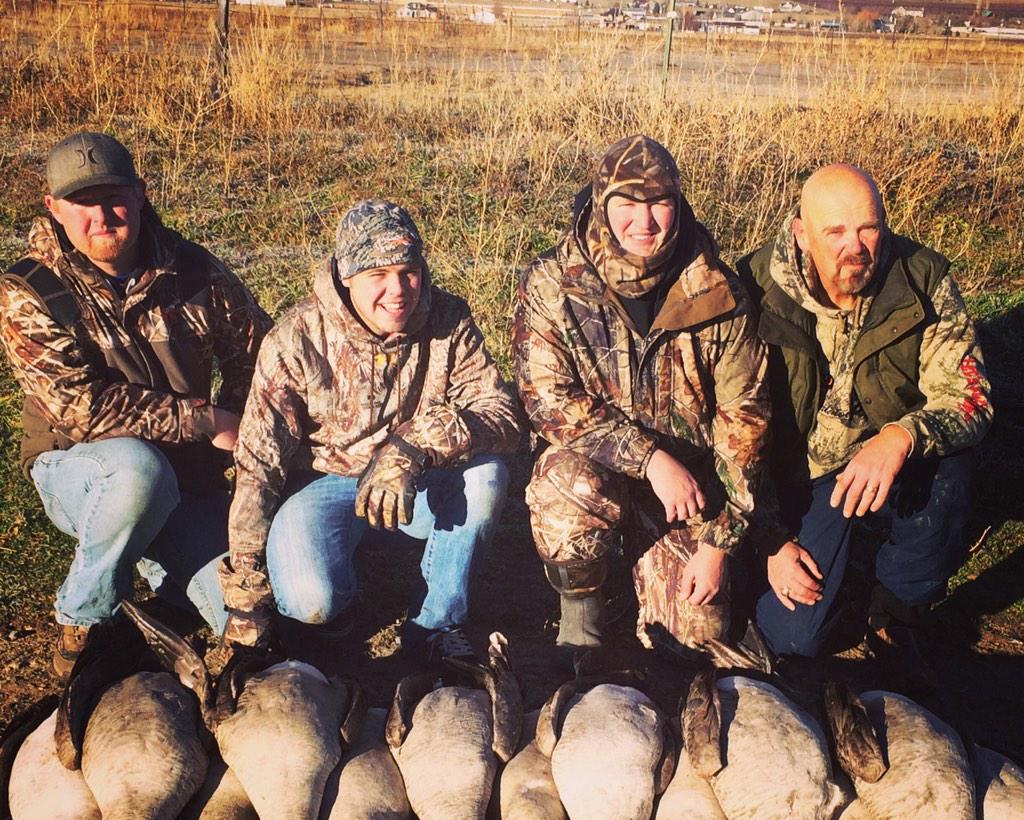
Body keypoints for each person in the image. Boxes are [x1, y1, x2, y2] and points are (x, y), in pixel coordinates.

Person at [0, 131, 270, 678]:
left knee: (255, 618)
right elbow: (79, 407)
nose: (101, 216)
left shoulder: (194, 270)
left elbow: (261, 354)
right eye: (82, 202)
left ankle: (160, 576)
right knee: (138, 474)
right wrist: (207, 420)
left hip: (186, 479)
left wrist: (247, 436)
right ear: (53, 207)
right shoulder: (29, 289)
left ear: (141, 194)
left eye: (113, 197)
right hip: (83, 470)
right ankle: (85, 617)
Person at [219, 199, 522, 665]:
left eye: (408, 272)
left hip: (419, 481)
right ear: (346, 276)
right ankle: (342, 602)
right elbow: (258, 464)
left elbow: (502, 414)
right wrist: (245, 595)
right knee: (309, 603)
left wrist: (412, 446)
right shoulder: (294, 338)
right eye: (378, 275)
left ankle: (437, 625)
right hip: (324, 483)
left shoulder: (448, 319)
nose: (398, 290)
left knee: (486, 476)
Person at [513, 135, 771, 666]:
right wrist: (649, 459)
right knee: (564, 484)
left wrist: (719, 542)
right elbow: (546, 400)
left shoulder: (717, 291)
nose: (644, 220)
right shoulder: (553, 283)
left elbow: (746, 423)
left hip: (687, 491)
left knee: (697, 638)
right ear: (601, 203)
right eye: (627, 204)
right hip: (597, 470)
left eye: (659, 202)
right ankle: (582, 621)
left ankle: (643, 577)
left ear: (678, 203)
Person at [737, 163, 993, 665]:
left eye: (868, 228)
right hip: (797, 475)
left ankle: (899, 607)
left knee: (952, 466)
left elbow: (971, 397)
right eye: (834, 232)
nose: (854, 246)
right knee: (795, 640)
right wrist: (770, 539)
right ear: (801, 234)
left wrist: (901, 437)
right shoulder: (752, 287)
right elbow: (729, 429)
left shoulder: (922, 277)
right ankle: (799, 567)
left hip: (885, 457)